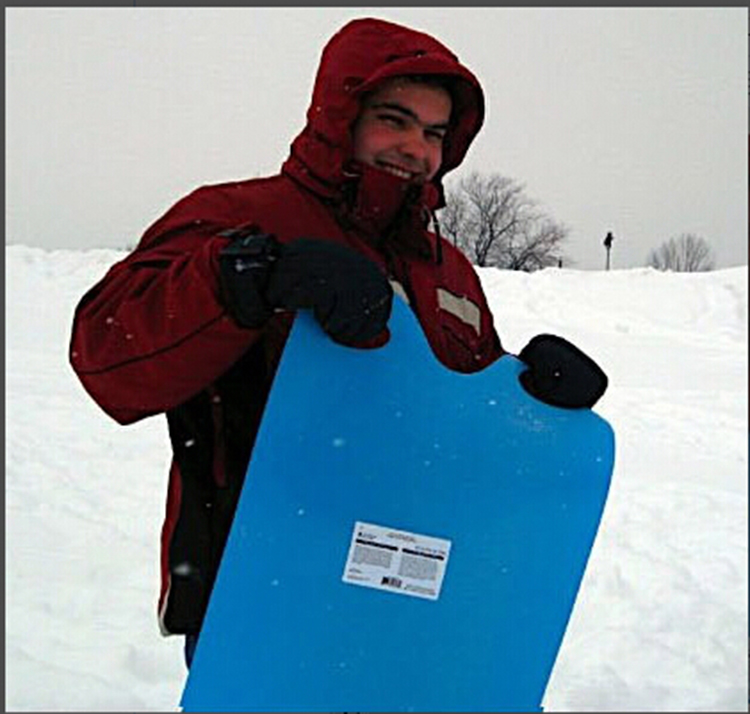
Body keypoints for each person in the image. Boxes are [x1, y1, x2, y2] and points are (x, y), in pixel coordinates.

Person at [69, 17, 607, 666]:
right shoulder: (240, 215)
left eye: (434, 133)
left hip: (415, 585)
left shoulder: (447, 269)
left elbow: (458, 419)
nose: (416, 148)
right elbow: (107, 356)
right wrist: (245, 278)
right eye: (394, 119)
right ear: (339, 116)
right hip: (266, 586)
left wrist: (531, 402)